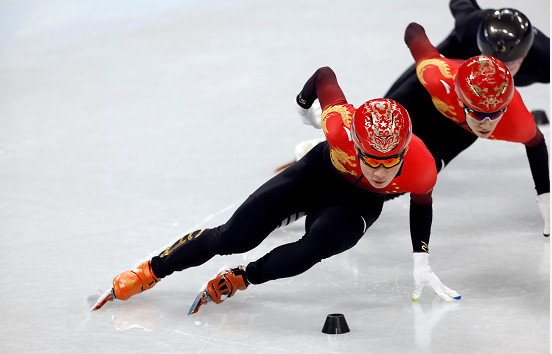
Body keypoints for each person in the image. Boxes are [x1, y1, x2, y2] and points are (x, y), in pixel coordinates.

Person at [92, 66, 460, 314]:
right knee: (231, 237)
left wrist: (421, 258)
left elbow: (422, 204)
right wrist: (304, 105)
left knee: (313, 249)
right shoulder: (339, 126)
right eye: (372, 160)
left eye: (391, 161)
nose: (381, 172)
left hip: (356, 204)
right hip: (317, 174)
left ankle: (241, 278)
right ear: (356, 144)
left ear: (405, 149)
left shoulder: (422, 166)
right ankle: (152, 270)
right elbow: (324, 76)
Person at [402, 21, 550, 237]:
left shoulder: (516, 121)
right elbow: (414, 33)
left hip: (458, 130)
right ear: (462, 102)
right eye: (480, 113)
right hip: (427, 100)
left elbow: (537, 143)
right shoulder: (436, 74)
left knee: (409, 175)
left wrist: (546, 201)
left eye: (496, 113)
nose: (487, 124)